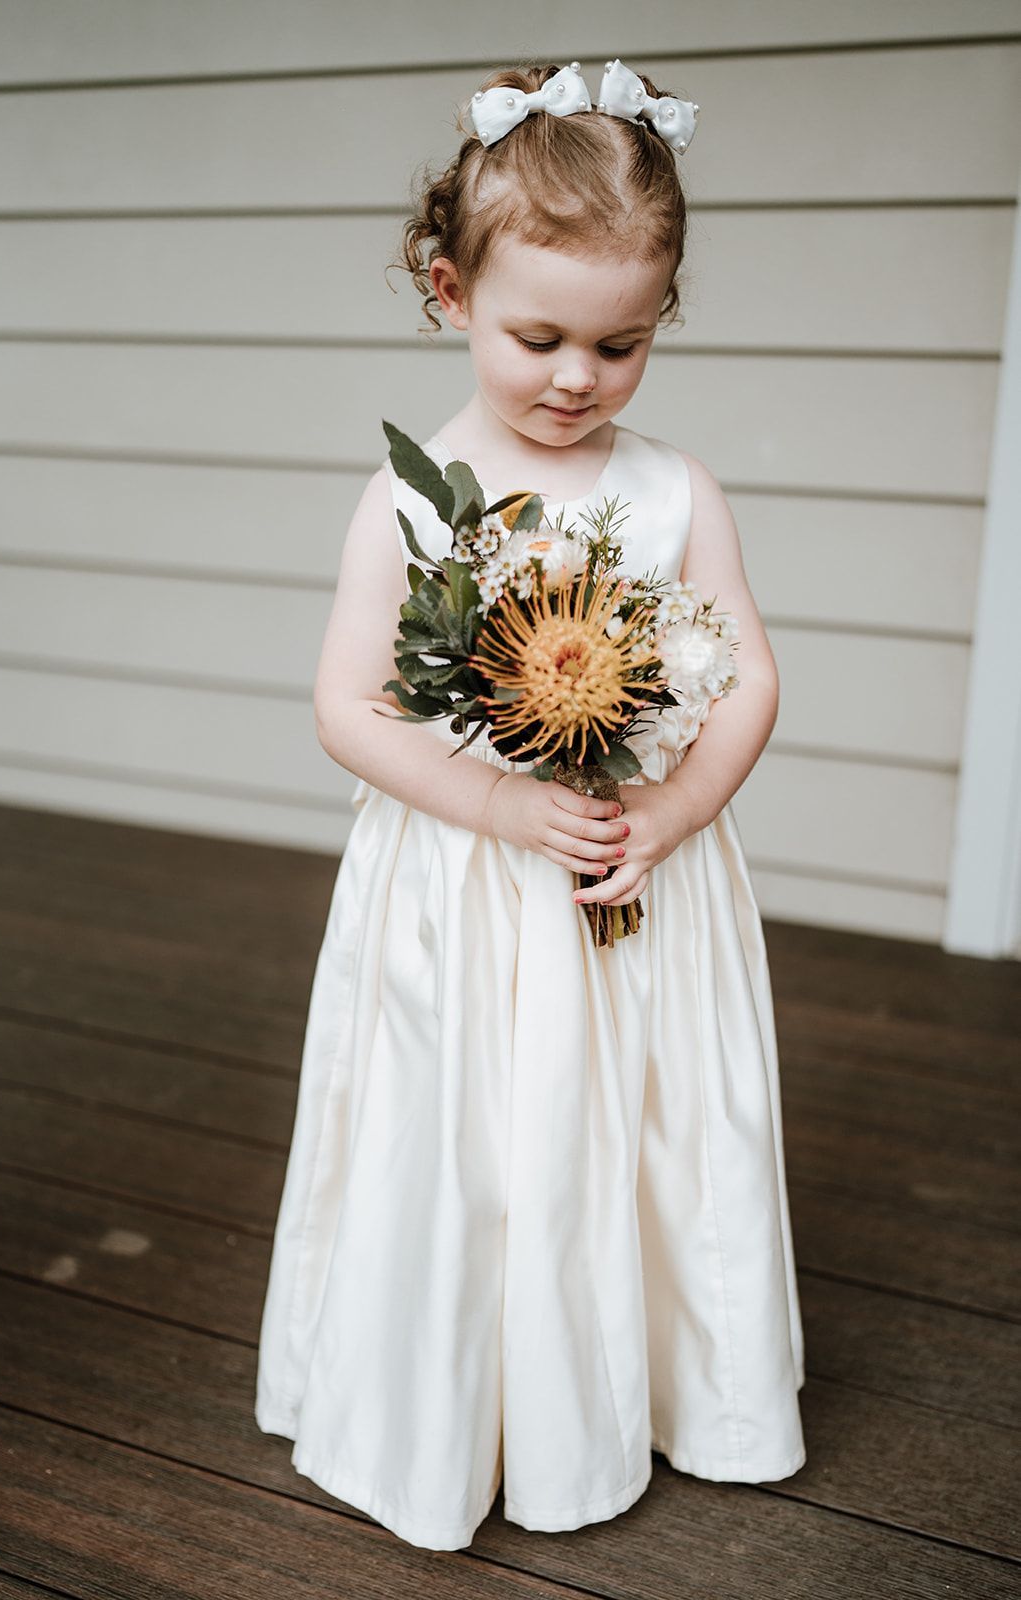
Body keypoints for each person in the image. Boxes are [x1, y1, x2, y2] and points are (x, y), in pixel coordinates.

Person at [254, 56, 806, 1553]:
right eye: (539, 336)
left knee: (643, 1123)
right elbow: (348, 705)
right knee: (479, 1145)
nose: (578, 377)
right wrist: (497, 814)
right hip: (469, 886)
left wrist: (676, 814)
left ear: (662, 317)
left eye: (622, 345)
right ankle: (453, 1403)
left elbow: (747, 674)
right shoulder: (416, 498)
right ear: (449, 292)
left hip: (638, 873)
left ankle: (674, 1384)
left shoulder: (679, 491)